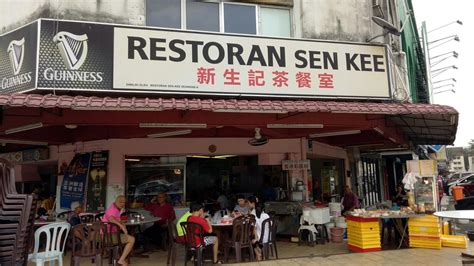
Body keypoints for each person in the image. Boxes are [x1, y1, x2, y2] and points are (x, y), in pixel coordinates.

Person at [102, 195, 135, 266]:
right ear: (116, 201)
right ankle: (121, 260)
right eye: (120, 202)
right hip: (107, 236)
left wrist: (122, 223)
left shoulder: (115, 208)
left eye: (124, 202)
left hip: (110, 234)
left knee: (126, 236)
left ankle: (119, 257)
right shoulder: (112, 209)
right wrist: (122, 227)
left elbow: (117, 219)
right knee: (132, 239)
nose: (122, 204)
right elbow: (111, 219)